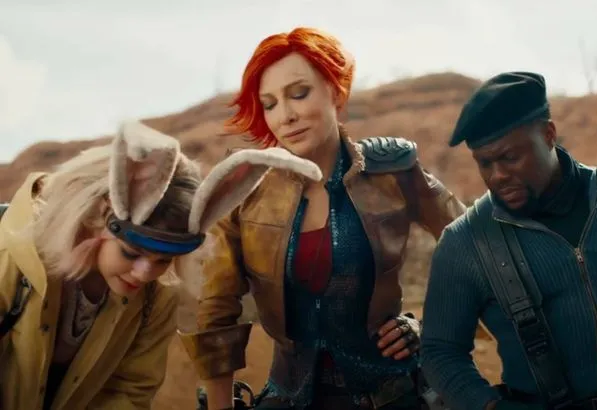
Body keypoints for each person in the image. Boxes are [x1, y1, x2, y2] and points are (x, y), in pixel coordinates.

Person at [179, 27, 466, 410]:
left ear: (335, 90)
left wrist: (427, 329)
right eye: (270, 104)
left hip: (393, 394)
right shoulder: (245, 189)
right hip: (288, 396)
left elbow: (476, 248)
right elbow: (216, 312)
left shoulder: (393, 170)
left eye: (299, 93)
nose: (286, 115)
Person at [0, 120, 322, 410]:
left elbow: (130, 390)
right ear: (96, 217)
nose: (145, 273)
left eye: (163, 261)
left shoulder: (155, 301)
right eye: (130, 253)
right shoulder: (9, 259)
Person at [420, 71, 597, 410]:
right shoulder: (464, 243)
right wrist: (489, 406)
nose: (497, 176)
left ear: (549, 134)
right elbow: (440, 352)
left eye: (510, 158)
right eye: (484, 163)